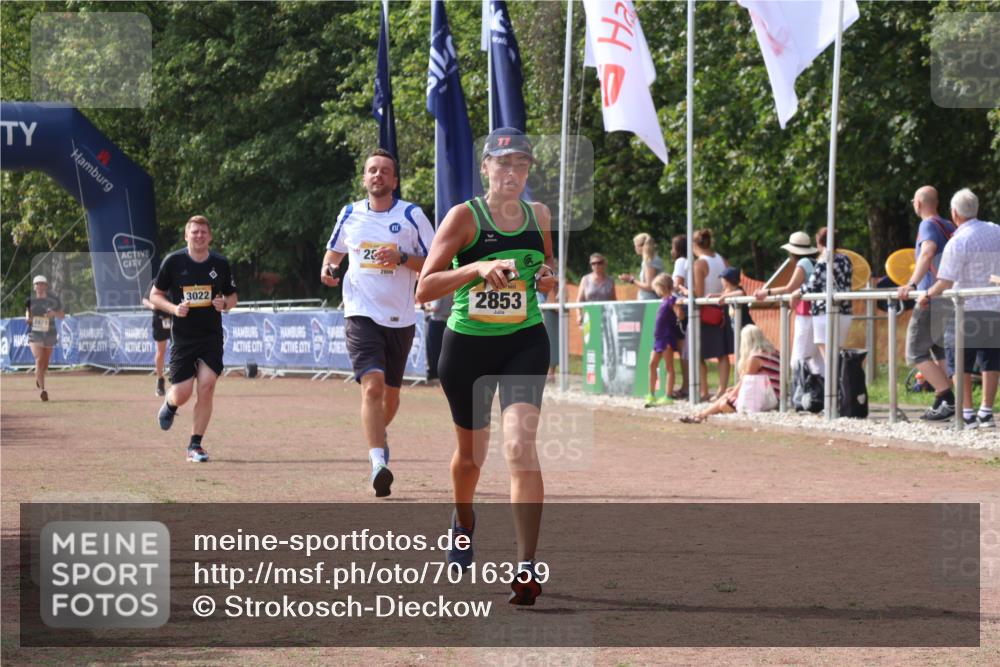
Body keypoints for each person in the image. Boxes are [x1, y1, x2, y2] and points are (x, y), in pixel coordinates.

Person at [416, 127, 557, 606]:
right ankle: (464, 520)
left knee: (519, 447)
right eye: (503, 163)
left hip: (525, 342)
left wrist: (547, 278)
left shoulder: (539, 216)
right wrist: (476, 268)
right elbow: (425, 287)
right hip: (468, 349)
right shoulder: (464, 217)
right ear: (486, 168)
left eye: (521, 164)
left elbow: (546, 268)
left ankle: (526, 566)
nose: (512, 172)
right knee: (471, 459)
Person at [320, 148, 435, 496]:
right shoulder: (349, 213)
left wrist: (402, 257)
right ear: (364, 178)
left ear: (394, 181)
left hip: (400, 316)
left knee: (392, 398)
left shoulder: (412, 215)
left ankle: (377, 435)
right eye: (372, 170)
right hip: (360, 312)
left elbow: (436, 261)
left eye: (385, 171)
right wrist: (329, 269)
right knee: (372, 386)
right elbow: (334, 253)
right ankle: (377, 463)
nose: (378, 175)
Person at [149, 215, 238, 463]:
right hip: (183, 338)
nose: (199, 236)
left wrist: (224, 304)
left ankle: (195, 445)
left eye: (203, 232)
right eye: (194, 232)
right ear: (186, 235)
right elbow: (155, 295)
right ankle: (170, 404)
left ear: (210, 236)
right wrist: (174, 308)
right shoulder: (173, 262)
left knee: (207, 386)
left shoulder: (220, 263)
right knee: (183, 393)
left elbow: (232, 297)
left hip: (211, 336)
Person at [917, 188, 999, 430]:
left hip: (966, 309)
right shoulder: (996, 230)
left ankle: (967, 413)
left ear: (954, 213)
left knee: (959, 362)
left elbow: (945, 282)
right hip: (994, 306)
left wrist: (927, 294)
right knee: (991, 361)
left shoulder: (958, 241)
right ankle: (986, 411)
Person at [897, 186, 957, 421]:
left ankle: (947, 398)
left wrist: (911, 284)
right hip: (948, 296)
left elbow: (927, 252)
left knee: (914, 351)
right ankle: (948, 401)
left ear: (918, 204)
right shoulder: (949, 225)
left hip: (930, 297)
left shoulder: (928, 225)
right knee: (940, 349)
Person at [679, 325, 780, 424]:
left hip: (766, 398)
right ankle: (701, 415)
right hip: (773, 395)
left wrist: (730, 395)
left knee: (725, 404)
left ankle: (701, 415)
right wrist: (733, 391)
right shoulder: (774, 353)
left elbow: (745, 381)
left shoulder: (755, 357)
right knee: (728, 396)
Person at [754, 231, 821, 374]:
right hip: (817, 313)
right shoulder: (816, 262)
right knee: (816, 360)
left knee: (797, 360)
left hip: (806, 314)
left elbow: (790, 288)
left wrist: (766, 292)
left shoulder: (803, 263)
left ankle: (801, 387)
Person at [789, 227, 853, 371]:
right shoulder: (846, 259)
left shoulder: (824, 260)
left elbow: (813, 285)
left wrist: (796, 292)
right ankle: (840, 383)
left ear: (819, 242)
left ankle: (835, 385)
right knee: (835, 357)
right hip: (845, 312)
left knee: (828, 361)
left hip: (825, 313)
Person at [692, 228, 731, 401]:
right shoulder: (722, 259)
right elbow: (730, 283)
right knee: (722, 353)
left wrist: (687, 292)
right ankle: (722, 390)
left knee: (698, 353)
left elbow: (699, 293)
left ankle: (704, 391)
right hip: (722, 308)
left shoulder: (699, 263)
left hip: (705, 310)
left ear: (694, 245)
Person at [24, 275, 64, 402]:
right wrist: (28, 318)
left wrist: (54, 313)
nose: (39, 286)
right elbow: (27, 313)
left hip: (49, 334)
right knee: (39, 359)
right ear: (34, 287)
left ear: (46, 286)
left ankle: (38, 377)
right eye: (37, 284)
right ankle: (43, 390)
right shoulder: (30, 300)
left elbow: (62, 315)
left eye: (42, 284)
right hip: (35, 334)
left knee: (45, 364)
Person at [645, 274, 680, 407]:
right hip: (659, 338)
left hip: (667, 338)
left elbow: (680, 315)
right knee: (652, 364)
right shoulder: (664, 300)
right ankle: (651, 394)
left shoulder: (671, 300)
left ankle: (668, 395)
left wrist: (678, 311)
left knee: (668, 366)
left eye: (656, 288)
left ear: (663, 287)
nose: (656, 291)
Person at [669, 235, 690, 398]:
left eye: (672, 247)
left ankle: (686, 386)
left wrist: (664, 287)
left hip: (681, 306)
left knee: (683, 349)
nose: (671, 251)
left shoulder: (680, 262)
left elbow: (677, 285)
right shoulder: (690, 261)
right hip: (687, 305)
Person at [619, 233, 664, 300]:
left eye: (635, 246)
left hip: (649, 300)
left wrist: (631, 280)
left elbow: (649, 286)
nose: (635, 248)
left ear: (641, 246)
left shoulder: (649, 261)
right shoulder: (651, 260)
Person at [576, 252, 616, 325]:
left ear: (604, 264)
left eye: (599, 263)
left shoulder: (610, 281)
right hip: (590, 315)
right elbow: (579, 300)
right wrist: (579, 315)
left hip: (607, 316)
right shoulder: (585, 279)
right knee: (592, 333)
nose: (596, 265)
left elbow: (614, 300)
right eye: (593, 263)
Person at [143, 297, 171, 396]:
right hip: (160, 318)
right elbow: (145, 300)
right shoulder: (156, 286)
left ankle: (177, 377)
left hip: (176, 317)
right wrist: (152, 306)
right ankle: (160, 380)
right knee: (161, 351)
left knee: (178, 348)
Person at [423, 293, 452, 382]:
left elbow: (435, 307)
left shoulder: (439, 290)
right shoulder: (450, 290)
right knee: (441, 348)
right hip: (446, 321)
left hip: (436, 321)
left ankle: (434, 372)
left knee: (433, 348)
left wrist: (425, 307)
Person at [718, 266, 753, 334]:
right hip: (735, 326)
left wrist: (724, 296)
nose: (721, 282)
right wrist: (714, 295)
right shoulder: (728, 291)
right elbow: (723, 295)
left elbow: (741, 293)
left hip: (744, 327)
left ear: (727, 281)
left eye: (722, 280)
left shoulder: (738, 290)